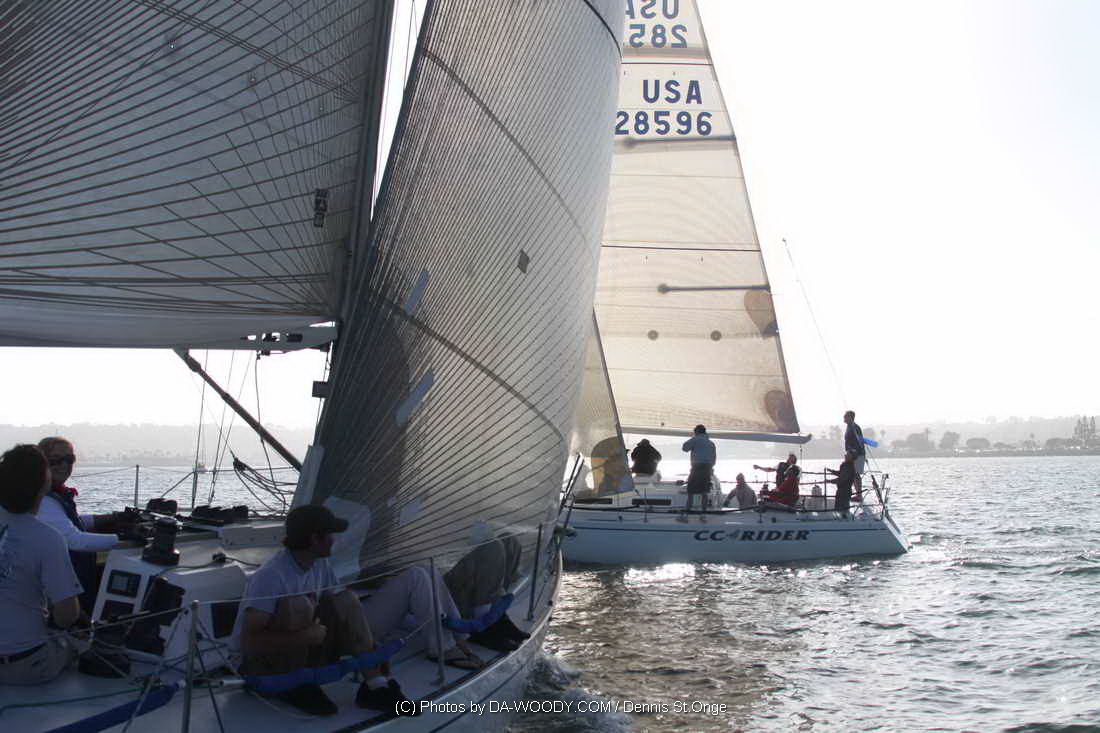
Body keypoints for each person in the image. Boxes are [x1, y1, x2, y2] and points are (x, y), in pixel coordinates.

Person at [233, 505, 414, 716]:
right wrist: (305, 636)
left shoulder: (320, 565)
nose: (334, 540)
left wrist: (372, 649)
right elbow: (249, 642)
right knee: (298, 604)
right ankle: (295, 685)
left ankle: (376, 685)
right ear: (314, 539)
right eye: (329, 534)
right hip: (259, 667)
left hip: (302, 651)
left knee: (346, 599)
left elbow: (343, 611)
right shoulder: (271, 576)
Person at [0, 444, 83, 685]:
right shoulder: (47, 538)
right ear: (44, 486)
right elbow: (67, 615)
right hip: (25, 665)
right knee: (81, 644)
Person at [36, 437, 123, 613]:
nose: (64, 465)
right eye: (55, 460)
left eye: (69, 460)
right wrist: (122, 539)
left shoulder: (53, 494)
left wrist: (111, 518)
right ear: (41, 463)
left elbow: (68, 521)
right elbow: (74, 540)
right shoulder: (44, 499)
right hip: (61, 590)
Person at [444, 530, 530, 653]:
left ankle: (498, 618)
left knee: (509, 539)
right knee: (494, 548)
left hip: (469, 584)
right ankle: (482, 627)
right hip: (454, 593)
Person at [681, 425, 716, 513]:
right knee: (704, 491)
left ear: (696, 432)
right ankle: (704, 510)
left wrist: (693, 440)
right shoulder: (711, 443)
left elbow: (684, 448)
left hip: (697, 467)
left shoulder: (695, 439)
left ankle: (688, 509)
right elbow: (714, 458)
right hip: (707, 467)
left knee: (691, 490)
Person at [843, 411, 866, 496]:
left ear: (850, 417)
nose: (844, 418)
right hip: (851, 454)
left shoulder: (855, 427)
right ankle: (857, 494)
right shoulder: (849, 427)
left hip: (857, 455)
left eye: (845, 416)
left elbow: (859, 441)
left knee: (856, 474)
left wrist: (854, 452)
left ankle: (859, 495)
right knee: (852, 474)